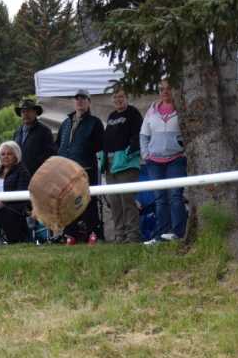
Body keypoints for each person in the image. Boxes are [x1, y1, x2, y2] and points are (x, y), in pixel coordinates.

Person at [140, 78, 187, 243]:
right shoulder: (152, 110)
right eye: (161, 89)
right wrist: (146, 154)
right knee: (160, 198)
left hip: (176, 159)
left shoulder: (182, 108)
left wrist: (183, 149)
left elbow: (189, 131)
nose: (165, 92)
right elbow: (144, 134)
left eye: (168, 88)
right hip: (154, 161)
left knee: (175, 196)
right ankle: (160, 234)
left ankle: (178, 232)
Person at [56, 90, 104, 244]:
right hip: (67, 170)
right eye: (77, 99)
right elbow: (59, 145)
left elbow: (100, 145)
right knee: (68, 201)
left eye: (83, 99)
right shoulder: (66, 122)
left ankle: (92, 233)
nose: (79, 101)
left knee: (89, 201)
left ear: (89, 102)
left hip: (86, 168)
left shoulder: (94, 122)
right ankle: (70, 235)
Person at [103, 86, 143, 243]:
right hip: (110, 164)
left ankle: (133, 235)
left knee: (127, 200)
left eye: (121, 97)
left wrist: (127, 153)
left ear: (127, 98)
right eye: (115, 97)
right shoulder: (112, 116)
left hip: (126, 164)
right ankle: (119, 235)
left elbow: (138, 135)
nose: (118, 100)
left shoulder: (133, 113)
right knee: (114, 201)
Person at [13, 98, 57, 177]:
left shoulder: (44, 131)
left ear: (35, 113)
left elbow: (50, 155)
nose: (26, 114)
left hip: (38, 176)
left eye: (29, 111)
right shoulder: (17, 132)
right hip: (19, 177)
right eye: (23, 111)